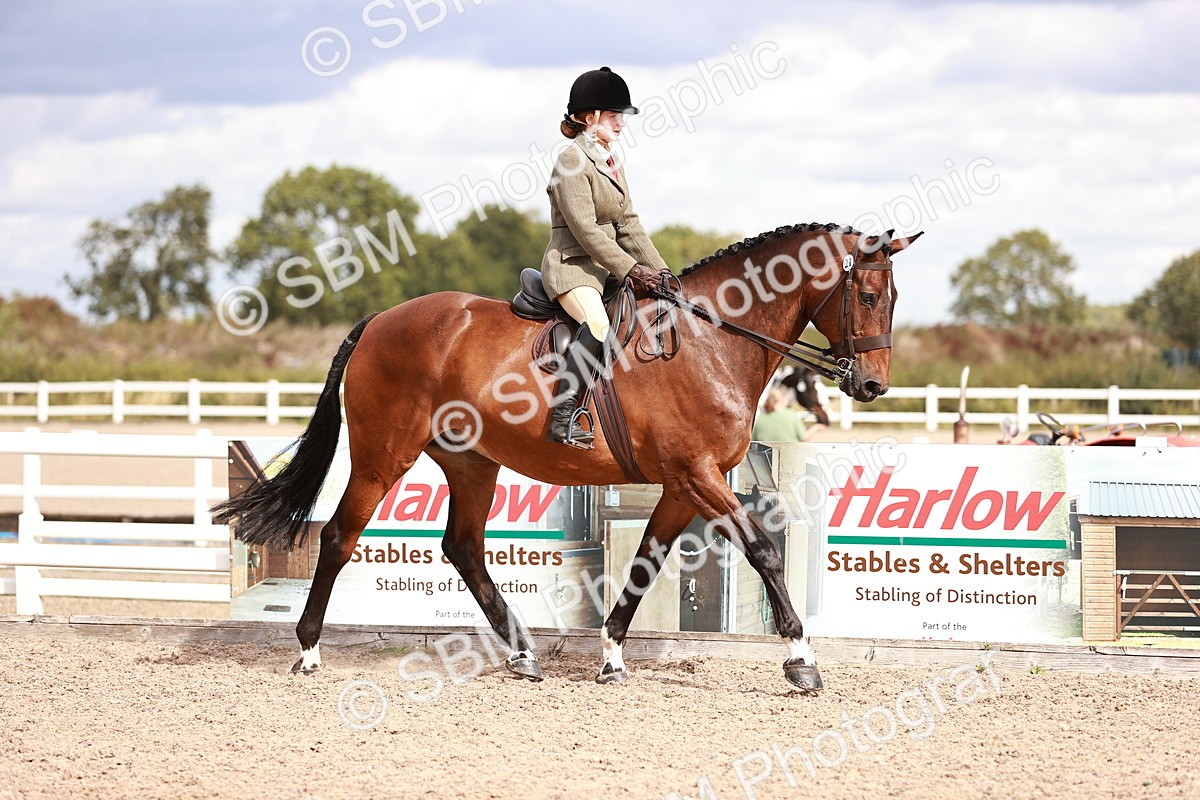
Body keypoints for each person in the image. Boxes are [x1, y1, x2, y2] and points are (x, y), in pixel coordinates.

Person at [541, 66, 671, 448]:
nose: (621, 125)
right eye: (615, 116)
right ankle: (562, 417)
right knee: (598, 325)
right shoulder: (570, 161)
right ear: (590, 116)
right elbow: (586, 230)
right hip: (573, 269)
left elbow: (628, 222)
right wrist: (632, 269)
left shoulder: (612, 162)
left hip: (606, 271)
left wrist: (662, 273)